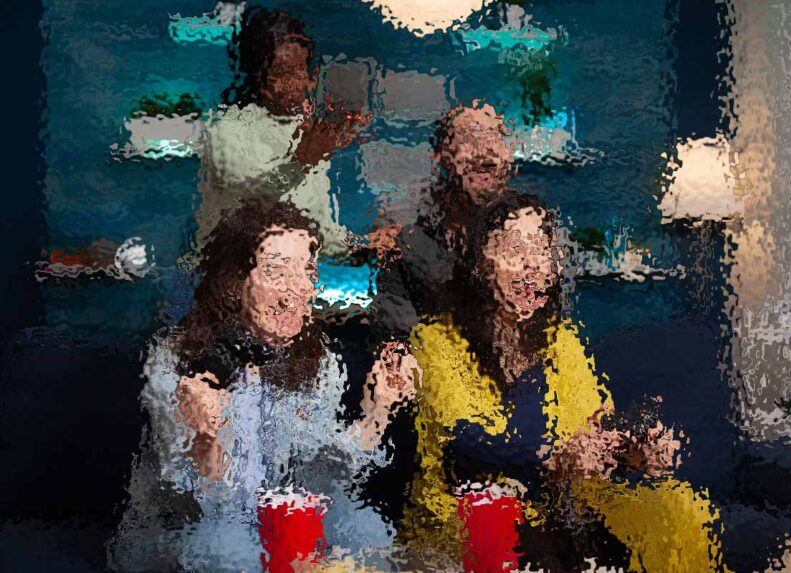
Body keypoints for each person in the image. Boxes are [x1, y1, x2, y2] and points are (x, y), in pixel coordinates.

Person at [372, 193, 728, 571]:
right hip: (470, 520)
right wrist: (557, 459)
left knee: (678, 508)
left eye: (542, 251)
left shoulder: (563, 341)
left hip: (561, 510)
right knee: (495, 514)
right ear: (479, 266)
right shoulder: (436, 341)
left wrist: (627, 450)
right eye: (515, 250)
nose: (532, 265)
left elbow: (595, 424)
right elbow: (468, 446)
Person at [109, 197, 418, 572]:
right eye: (276, 271)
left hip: (272, 526)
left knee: (365, 527)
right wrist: (206, 438)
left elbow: (317, 482)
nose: (296, 290)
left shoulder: (319, 359)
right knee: (227, 547)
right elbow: (206, 506)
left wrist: (377, 412)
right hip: (186, 532)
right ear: (233, 284)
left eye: (307, 272)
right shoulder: (176, 362)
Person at [195, 7, 372, 261]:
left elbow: (317, 225)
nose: (293, 85)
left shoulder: (304, 131)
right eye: (280, 73)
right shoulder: (226, 131)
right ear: (256, 76)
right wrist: (300, 163)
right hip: (233, 268)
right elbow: (248, 206)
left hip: (289, 270)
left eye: (299, 71)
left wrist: (361, 249)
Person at [371, 102, 517, 337]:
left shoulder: (523, 222)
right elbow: (396, 329)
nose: (485, 150)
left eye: (493, 136)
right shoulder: (405, 223)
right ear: (440, 159)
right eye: (470, 138)